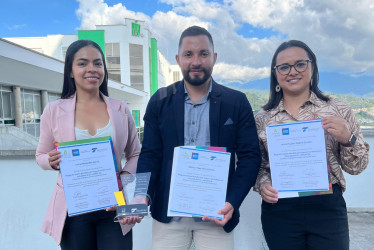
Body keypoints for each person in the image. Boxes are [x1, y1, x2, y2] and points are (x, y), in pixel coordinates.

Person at [125, 25, 261, 250]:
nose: (196, 61)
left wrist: (232, 202)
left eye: (203, 54)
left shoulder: (236, 102)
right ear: (178, 59)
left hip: (217, 214)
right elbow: (150, 154)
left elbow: (250, 157)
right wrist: (142, 194)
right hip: (168, 216)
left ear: (214, 58)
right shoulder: (159, 101)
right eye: (188, 54)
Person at [254, 40, 370, 250]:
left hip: (326, 207)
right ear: (275, 73)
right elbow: (257, 165)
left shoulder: (338, 109)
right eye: (284, 67)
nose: (292, 71)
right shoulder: (262, 118)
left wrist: (347, 138)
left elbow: (357, 167)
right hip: (280, 208)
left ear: (312, 67)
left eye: (300, 64)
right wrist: (263, 185)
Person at [36, 40, 140, 250]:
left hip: (114, 204)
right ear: (71, 71)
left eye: (98, 63)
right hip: (73, 208)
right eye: (82, 63)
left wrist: (123, 178)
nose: (92, 69)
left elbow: (136, 153)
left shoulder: (121, 109)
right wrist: (51, 161)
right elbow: (40, 155)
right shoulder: (53, 110)